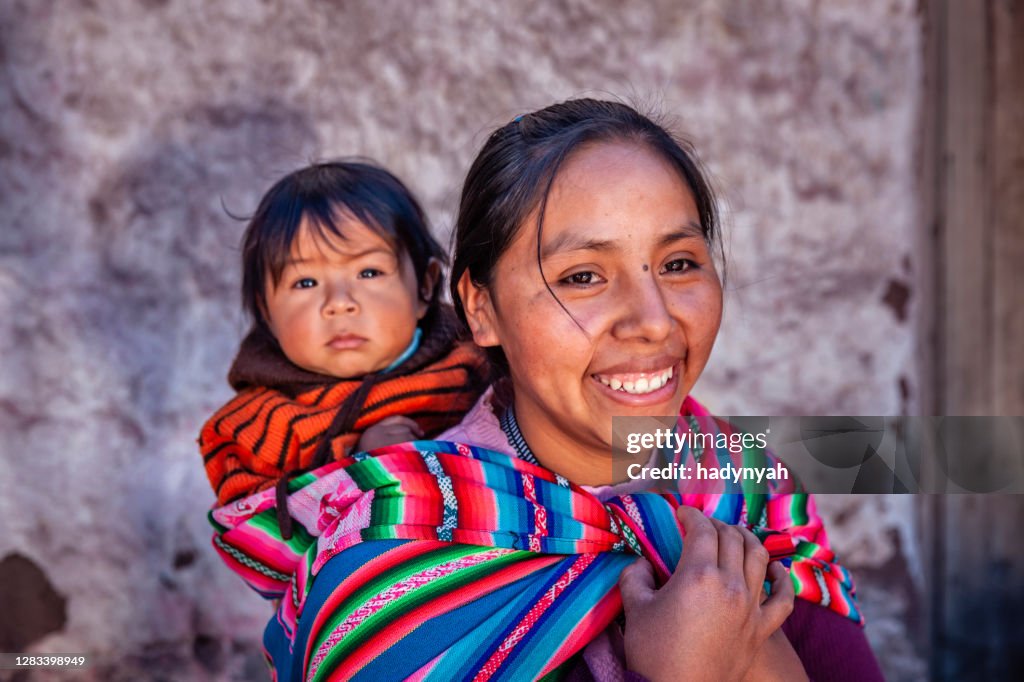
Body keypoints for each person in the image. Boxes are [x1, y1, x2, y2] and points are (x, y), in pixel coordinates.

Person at [208, 103, 883, 681]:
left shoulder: (744, 482)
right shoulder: (395, 533)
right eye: (584, 276)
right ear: (481, 308)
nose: (652, 320)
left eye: (678, 264)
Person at [198, 161, 488, 537]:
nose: (338, 303)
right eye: (305, 282)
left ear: (425, 288)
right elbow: (254, 534)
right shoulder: (256, 425)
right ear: (266, 310)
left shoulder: (475, 364)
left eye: (368, 273)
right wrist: (355, 462)